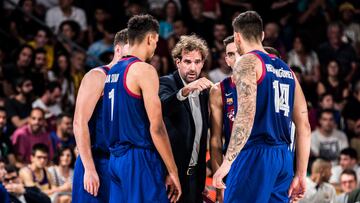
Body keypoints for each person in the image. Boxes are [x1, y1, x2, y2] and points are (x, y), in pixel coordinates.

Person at [212, 11, 311, 203]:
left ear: (237, 37)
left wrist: (227, 162)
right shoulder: (287, 70)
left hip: (255, 154)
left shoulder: (247, 63)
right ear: (262, 35)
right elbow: (304, 126)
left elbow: (245, 115)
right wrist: (300, 174)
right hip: (283, 157)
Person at [103, 14, 181, 203]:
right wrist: (173, 170)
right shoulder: (144, 70)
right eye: (156, 41)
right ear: (150, 38)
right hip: (138, 159)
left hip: (115, 159)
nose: (156, 47)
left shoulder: (113, 71)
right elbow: (157, 127)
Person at [72, 28, 129, 203]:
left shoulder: (129, 81)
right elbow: (79, 122)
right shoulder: (97, 76)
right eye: (129, 55)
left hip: (118, 163)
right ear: (118, 49)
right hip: (95, 161)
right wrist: (89, 169)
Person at [159, 34, 212, 203]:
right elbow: (164, 106)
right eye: (188, 62)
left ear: (203, 63)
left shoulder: (203, 90)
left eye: (197, 62)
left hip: (195, 176)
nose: (192, 68)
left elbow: (201, 135)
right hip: (172, 174)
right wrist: (185, 90)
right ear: (177, 62)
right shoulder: (166, 83)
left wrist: (201, 179)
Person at [209, 35, 237, 203]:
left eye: (239, 52)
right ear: (226, 59)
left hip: (262, 160)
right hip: (232, 165)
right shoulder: (219, 90)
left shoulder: (263, 84)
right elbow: (216, 142)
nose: (236, 58)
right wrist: (218, 187)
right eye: (231, 54)